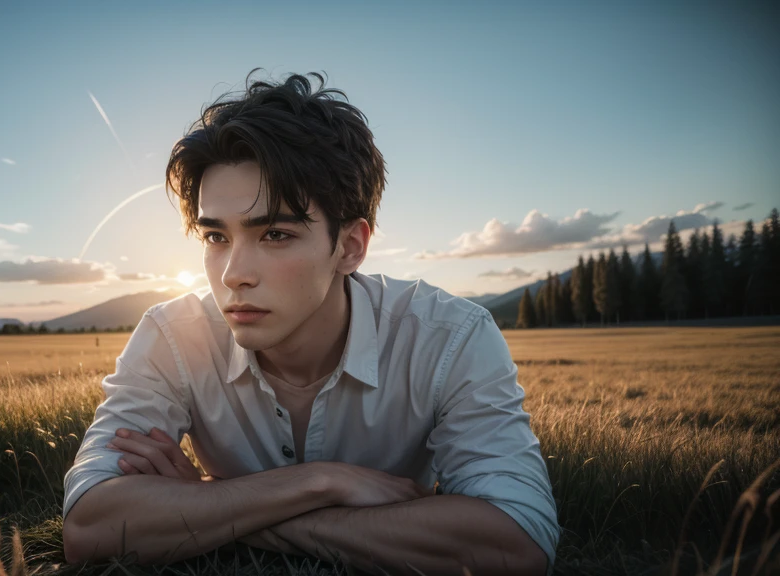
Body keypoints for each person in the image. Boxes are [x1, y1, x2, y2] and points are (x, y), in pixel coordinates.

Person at [62, 69, 559, 576]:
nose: (234, 274)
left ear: (349, 246)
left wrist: (214, 504)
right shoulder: (172, 335)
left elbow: (517, 543)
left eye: (275, 234)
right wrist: (321, 483)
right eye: (216, 237)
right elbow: (89, 524)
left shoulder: (451, 337)